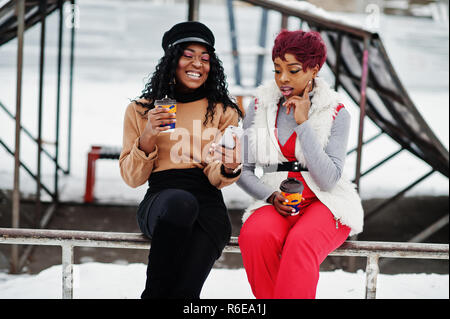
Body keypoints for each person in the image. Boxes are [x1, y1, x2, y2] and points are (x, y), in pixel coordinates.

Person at [119, 21, 243, 299]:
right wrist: (149, 134)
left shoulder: (223, 111)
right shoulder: (141, 110)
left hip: (208, 205)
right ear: (172, 59)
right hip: (162, 202)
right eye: (188, 55)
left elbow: (216, 176)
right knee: (180, 203)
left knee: (186, 296)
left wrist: (229, 166)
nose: (197, 63)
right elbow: (132, 178)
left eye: (205, 58)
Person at [237, 29, 364, 299]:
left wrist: (303, 123)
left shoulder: (336, 112)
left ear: (314, 69)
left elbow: (329, 179)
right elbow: (243, 171)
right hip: (277, 197)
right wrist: (271, 197)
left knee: (301, 242)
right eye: (277, 70)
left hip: (327, 201)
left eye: (293, 70)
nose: (283, 79)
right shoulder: (260, 107)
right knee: (255, 235)